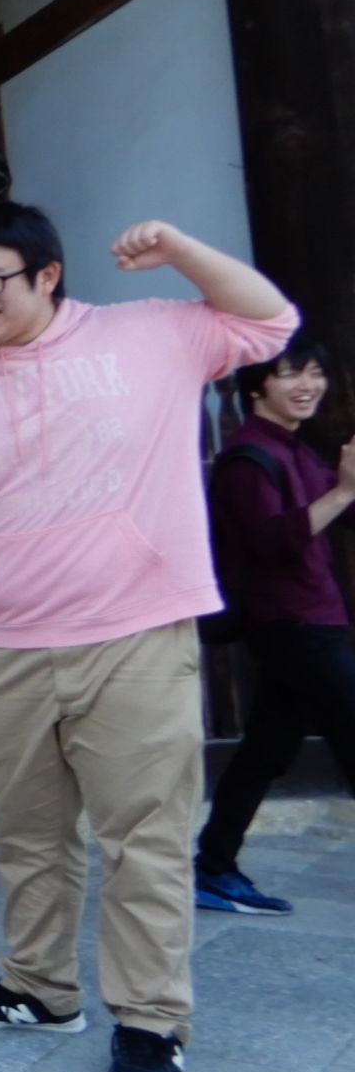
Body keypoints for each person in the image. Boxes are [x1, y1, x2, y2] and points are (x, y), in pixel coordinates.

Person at [0, 205, 296, 1072]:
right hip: (4, 646)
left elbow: (268, 321)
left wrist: (177, 249)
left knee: (146, 840)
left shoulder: (151, 336)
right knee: (29, 839)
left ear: (47, 275)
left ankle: (150, 1020)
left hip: (134, 635)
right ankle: (40, 988)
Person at [193, 333, 355, 914]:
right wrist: (341, 493)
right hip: (291, 624)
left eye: (315, 372)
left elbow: (342, 510)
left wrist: (344, 491)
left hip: (313, 619)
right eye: (291, 373)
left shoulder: (296, 448)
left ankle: (214, 865)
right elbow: (271, 541)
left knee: (265, 750)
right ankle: (212, 866)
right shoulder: (246, 458)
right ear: (258, 383)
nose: (308, 384)